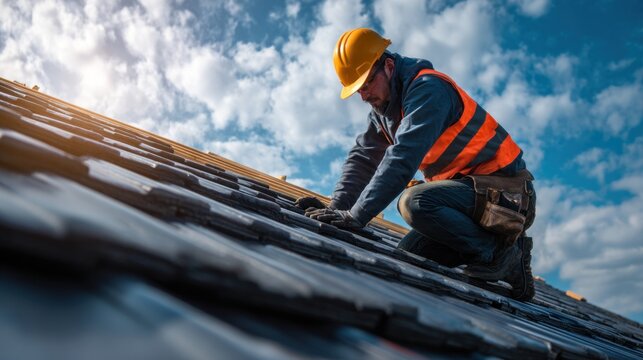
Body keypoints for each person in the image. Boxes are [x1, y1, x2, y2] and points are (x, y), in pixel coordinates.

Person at [295, 28, 536, 301]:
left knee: (414, 203)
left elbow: (403, 157)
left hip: (507, 197)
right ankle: (514, 268)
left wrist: (355, 216)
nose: (363, 96)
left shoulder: (429, 90)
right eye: (357, 90)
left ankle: (499, 254)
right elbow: (363, 158)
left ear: (387, 66)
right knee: (409, 257)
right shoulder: (384, 112)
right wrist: (336, 209)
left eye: (366, 84)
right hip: (470, 202)